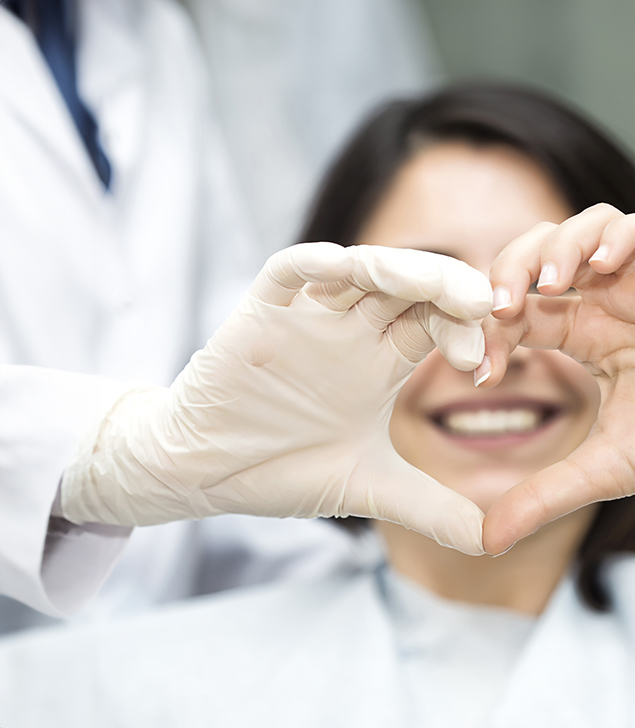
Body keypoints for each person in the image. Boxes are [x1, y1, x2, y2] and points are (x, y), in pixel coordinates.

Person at [0, 83, 635, 727]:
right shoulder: (139, 683)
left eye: (548, 288)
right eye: (424, 294)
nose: (489, 344)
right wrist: (120, 459)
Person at [0, 0, 457, 634]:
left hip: (163, 647)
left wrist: (358, 605)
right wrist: (110, 457)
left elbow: (224, 386)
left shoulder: (151, 34)